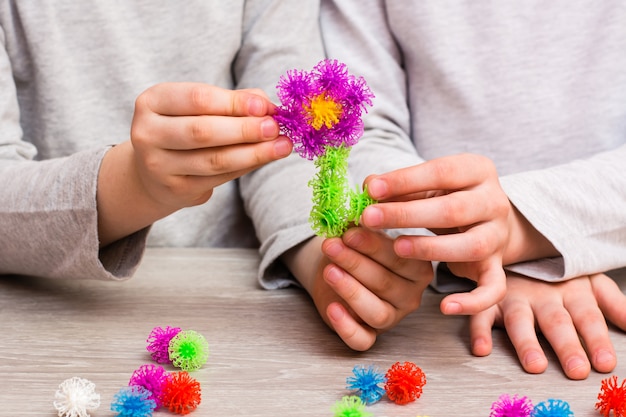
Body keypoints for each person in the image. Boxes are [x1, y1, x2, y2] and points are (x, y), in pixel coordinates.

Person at [296, 0, 626, 380]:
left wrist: (523, 233)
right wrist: (473, 242)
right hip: (441, 293)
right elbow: (365, 125)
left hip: (606, 277)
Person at [0, 2, 324, 280]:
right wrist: (136, 185)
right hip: (41, 301)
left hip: (228, 286)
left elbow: (294, 158)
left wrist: (316, 251)